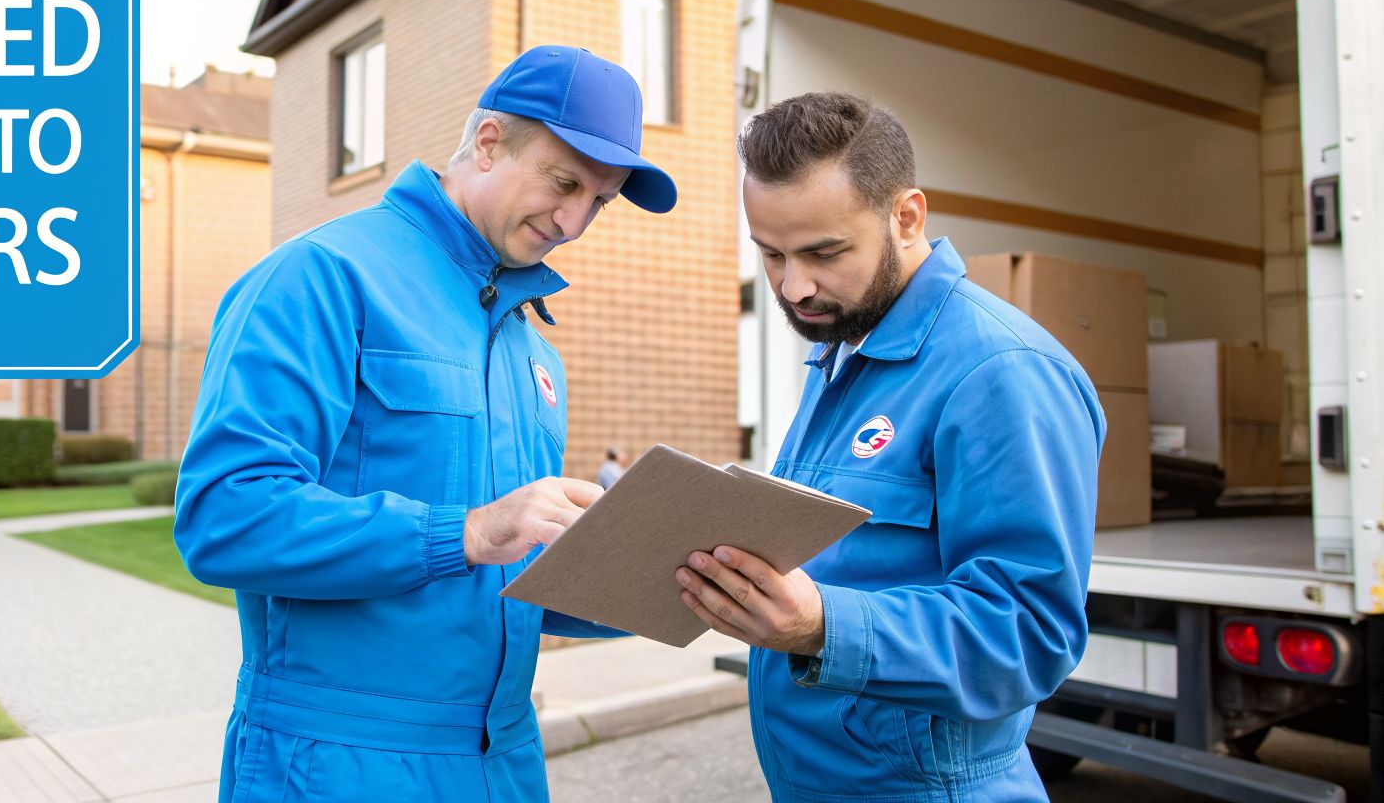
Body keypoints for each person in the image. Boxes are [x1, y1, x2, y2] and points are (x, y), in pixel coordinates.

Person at [174, 46, 677, 802]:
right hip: (341, 763)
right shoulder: (321, 276)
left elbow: (504, 577)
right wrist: (468, 531)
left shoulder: (532, 348)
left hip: (502, 763)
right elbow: (225, 516)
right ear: (487, 142)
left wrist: (657, 582)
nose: (575, 221)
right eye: (564, 182)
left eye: (599, 201)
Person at [676, 92, 1102, 801]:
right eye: (771, 254)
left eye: (823, 252)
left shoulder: (1001, 373)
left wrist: (822, 625)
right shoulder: (844, 348)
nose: (794, 286)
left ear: (906, 217)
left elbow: (1030, 635)